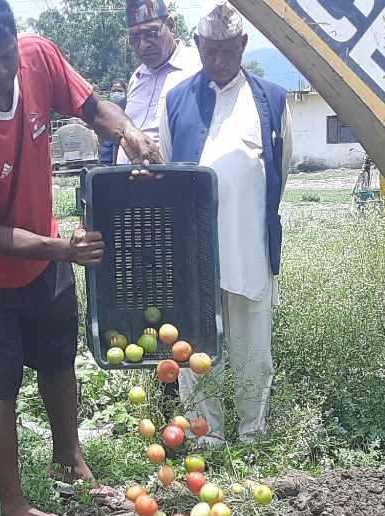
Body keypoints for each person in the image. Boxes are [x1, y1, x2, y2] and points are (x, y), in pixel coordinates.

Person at [0, 0, 160, 516]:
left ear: (16, 40)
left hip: (47, 250)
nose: (2, 72)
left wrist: (126, 131)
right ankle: (15, 507)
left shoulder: (37, 57)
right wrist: (60, 250)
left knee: (59, 363)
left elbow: (89, 105)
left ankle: (69, 463)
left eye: (7, 56)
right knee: (0, 388)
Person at [163, 3, 286, 446]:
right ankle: (206, 433)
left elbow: (279, 174)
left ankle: (253, 433)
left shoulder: (271, 99)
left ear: (243, 45)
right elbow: (166, 170)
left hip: (249, 250)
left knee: (254, 353)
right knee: (195, 350)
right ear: (197, 47)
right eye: (210, 51)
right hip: (193, 255)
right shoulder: (176, 100)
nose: (218, 61)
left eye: (228, 51)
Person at [120, 0, 198, 164]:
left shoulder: (197, 69)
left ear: (170, 25)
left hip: (173, 183)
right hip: (129, 184)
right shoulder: (137, 77)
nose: (142, 46)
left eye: (151, 34)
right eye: (134, 38)